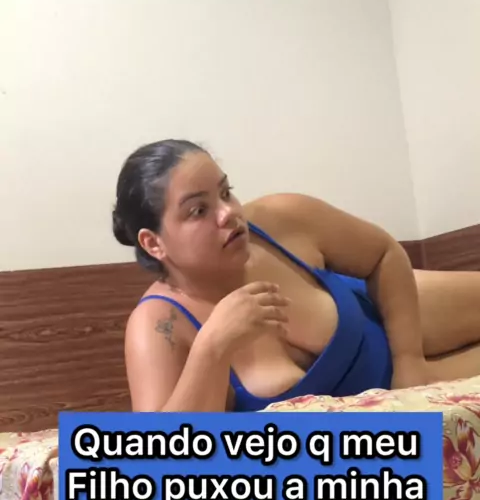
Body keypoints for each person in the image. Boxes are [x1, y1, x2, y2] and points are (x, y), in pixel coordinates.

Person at [113, 139, 480, 413]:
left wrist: (409, 362)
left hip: (391, 319)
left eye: (226, 192)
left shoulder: (277, 221)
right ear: (153, 243)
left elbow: (383, 253)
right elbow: (160, 461)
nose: (228, 213)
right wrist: (212, 348)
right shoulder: (158, 325)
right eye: (198, 210)